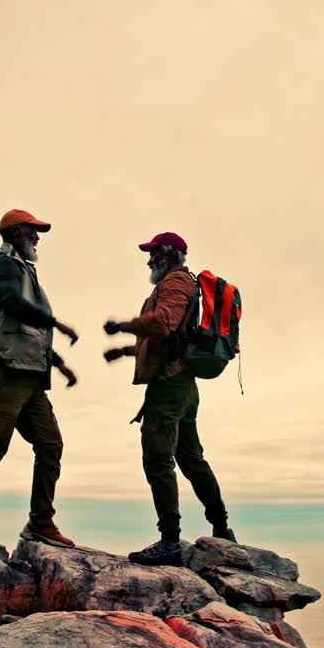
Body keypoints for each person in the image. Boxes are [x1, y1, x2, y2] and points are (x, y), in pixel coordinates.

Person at [103, 232, 235, 567]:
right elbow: (171, 340)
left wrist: (123, 326)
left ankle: (170, 542)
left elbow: (163, 324)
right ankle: (222, 528)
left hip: (170, 389)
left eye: (153, 253)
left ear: (169, 254)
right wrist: (127, 351)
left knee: (158, 459)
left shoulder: (175, 283)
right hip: (182, 386)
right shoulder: (180, 284)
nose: (149, 259)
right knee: (191, 459)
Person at [0, 209, 80, 559]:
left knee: (50, 444)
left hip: (29, 375)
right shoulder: (5, 267)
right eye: (32, 232)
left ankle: (41, 521)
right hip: (4, 371)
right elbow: (11, 305)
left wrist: (60, 365)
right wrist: (55, 321)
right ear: (13, 234)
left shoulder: (26, 272)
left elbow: (31, 334)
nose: (37, 238)